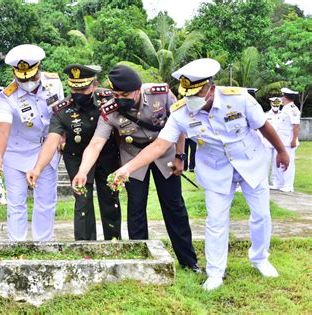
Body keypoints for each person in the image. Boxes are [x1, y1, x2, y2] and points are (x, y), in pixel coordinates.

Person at [112, 58, 290, 291]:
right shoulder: (181, 113)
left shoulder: (238, 98)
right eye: (187, 95)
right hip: (216, 169)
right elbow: (158, 146)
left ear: (211, 89)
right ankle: (215, 272)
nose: (191, 100)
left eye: (196, 94)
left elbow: (263, 126)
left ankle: (260, 259)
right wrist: (127, 168)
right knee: (215, 220)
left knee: (261, 215)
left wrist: (282, 151)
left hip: (250, 162)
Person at [72, 64, 199, 271]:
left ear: (138, 90)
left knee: (174, 206)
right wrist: (83, 171)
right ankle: (142, 260)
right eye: (116, 93)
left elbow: (180, 124)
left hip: (164, 153)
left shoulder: (162, 94)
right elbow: (96, 143)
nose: (120, 98)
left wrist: (180, 155)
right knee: (136, 207)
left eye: (126, 94)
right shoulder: (109, 111)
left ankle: (188, 261)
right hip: (132, 157)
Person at [26, 64, 122, 240]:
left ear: (95, 85)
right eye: (74, 88)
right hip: (76, 157)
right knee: (82, 202)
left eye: (84, 88)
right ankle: (85, 249)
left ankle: (114, 243)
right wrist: (37, 169)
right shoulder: (61, 110)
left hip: (107, 155)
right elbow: (52, 141)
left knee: (110, 199)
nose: (78, 93)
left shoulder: (108, 99)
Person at [0, 44, 64, 241]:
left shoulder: (54, 83)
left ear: (38, 68)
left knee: (46, 200)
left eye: (31, 76)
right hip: (16, 152)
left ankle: (43, 243)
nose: (27, 81)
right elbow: (2, 131)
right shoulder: (7, 97)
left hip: (46, 149)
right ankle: (17, 245)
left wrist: (62, 138)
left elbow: (60, 115)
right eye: (22, 78)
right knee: (16, 202)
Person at [270, 88, 301, 192]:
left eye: (282, 96)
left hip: (288, 142)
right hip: (280, 141)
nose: (281, 99)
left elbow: (296, 126)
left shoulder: (293, 109)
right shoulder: (285, 108)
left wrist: (294, 140)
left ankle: (288, 185)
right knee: (277, 162)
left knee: (288, 163)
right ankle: (278, 183)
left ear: (285, 97)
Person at [264, 97, 282, 186]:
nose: (275, 106)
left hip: (278, 142)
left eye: (277, 104)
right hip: (267, 142)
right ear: (271, 103)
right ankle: (264, 181)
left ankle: (274, 182)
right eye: (274, 104)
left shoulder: (283, 115)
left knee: (276, 162)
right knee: (266, 162)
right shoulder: (266, 115)